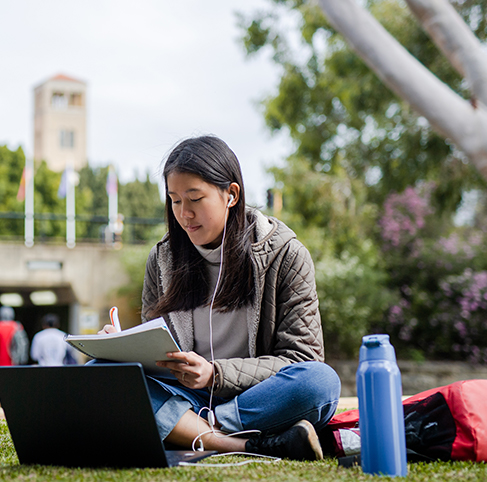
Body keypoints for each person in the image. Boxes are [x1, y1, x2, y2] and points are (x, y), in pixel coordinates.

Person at [98, 136, 340, 460]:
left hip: (255, 401)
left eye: (195, 198)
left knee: (320, 382)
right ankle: (238, 444)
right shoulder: (162, 260)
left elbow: (301, 359)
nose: (185, 214)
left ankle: (193, 430)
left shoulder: (285, 255)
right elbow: (157, 354)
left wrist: (215, 374)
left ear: (231, 194)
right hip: (185, 396)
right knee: (102, 371)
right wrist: (123, 348)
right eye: (174, 200)